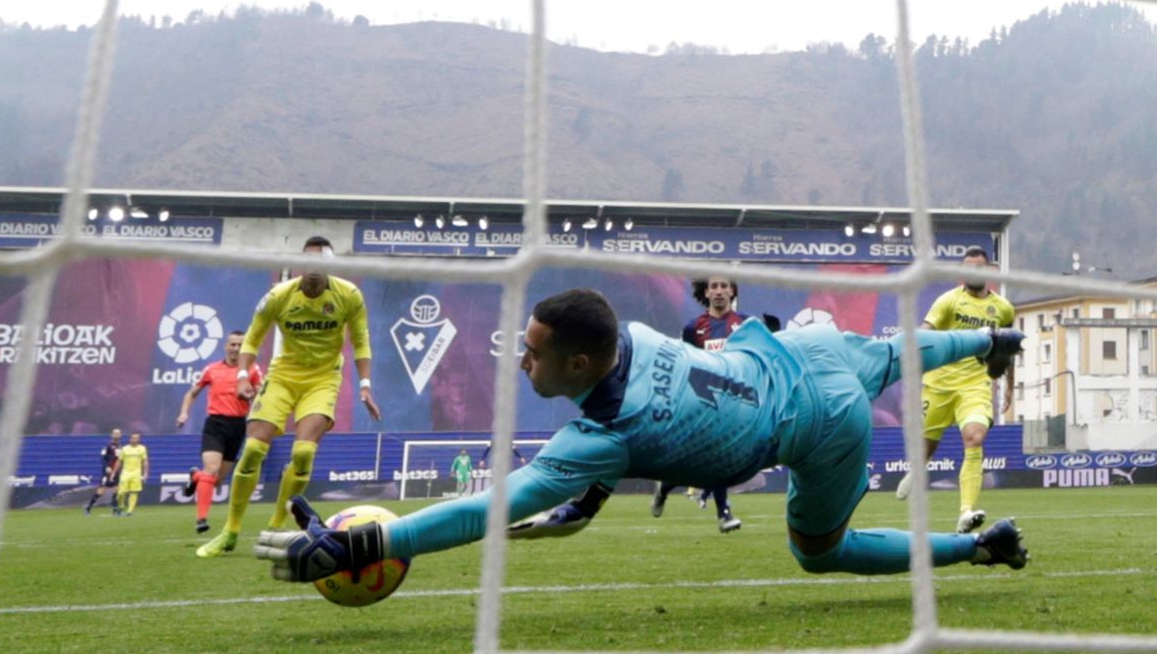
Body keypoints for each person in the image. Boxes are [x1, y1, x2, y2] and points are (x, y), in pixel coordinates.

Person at [257, 288, 1030, 586]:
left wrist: (366, 545)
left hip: (823, 427)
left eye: (532, 353)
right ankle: (990, 346)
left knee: (820, 554)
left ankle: (977, 547)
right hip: (801, 353)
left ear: (579, 363)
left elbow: (483, 510)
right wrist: (982, 344)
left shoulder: (602, 435)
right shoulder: (632, 333)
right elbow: (902, 351)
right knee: (891, 353)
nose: (521, 360)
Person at [196, 236, 381, 558]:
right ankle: (230, 532)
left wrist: (365, 385)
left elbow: (361, 341)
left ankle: (276, 526)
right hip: (282, 376)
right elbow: (253, 338)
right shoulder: (278, 296)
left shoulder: (349, 295)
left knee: (304, 453)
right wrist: (242, 376)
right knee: (253, 450)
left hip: (323, 379)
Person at [897, 247, 1016, 533]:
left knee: (975, 437)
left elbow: (1008, 348)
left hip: (975, 384)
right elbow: (925, 332)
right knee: (927, 446)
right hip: (939, 383)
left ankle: (966, 511)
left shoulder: (1003, 309)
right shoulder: (948, 301)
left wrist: (1010, 386)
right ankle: (917, 469)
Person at [650, 276, 750, 533]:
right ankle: (724, 513)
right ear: (706, 293)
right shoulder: (694, 328)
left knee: (712, 459)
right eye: (714, 287)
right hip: (704, 399)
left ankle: (667, 485)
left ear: (732, 291)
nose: (719, 291)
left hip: (736, 400)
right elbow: (684, 363)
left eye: (724, 286)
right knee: (718, 455)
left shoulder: (746, 324)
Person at [175, 331, 263, 533]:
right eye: (233, 344)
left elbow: (261, 394)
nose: (236, 349)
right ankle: (201, 519)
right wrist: (183, 413)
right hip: (215, 424)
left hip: (238, 426)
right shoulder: (212, 369)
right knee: (212, 468)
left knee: (216, 480)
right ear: (226, 346)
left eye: (240, 345)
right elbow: (191, 393)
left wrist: (254, 396)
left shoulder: (252, 369)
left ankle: (196, 477)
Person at [85, 429, 122, 515]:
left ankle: (115, 509)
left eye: (118, 433)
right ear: (112, 435)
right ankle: (89, 507)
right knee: (101, 491)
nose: (117, 435)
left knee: (116, 490)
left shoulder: (121, 447)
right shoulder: (107, 446)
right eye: (115, 433)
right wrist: (107, 467)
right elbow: (102, 458)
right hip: (107, 472)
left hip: (115, 472)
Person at [115, 432, 149, 516]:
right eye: (133, 438)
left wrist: (145, 473)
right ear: (130, 439)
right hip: (126, 472)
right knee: (121, 493)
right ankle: (121, 506)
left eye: (137, 438)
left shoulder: (142, 448)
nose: (135, 440)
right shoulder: (125, 449)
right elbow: (119, 461)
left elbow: (145, 461)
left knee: (134, 492)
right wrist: (114, 473)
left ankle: (129, 511)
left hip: (136, 473)